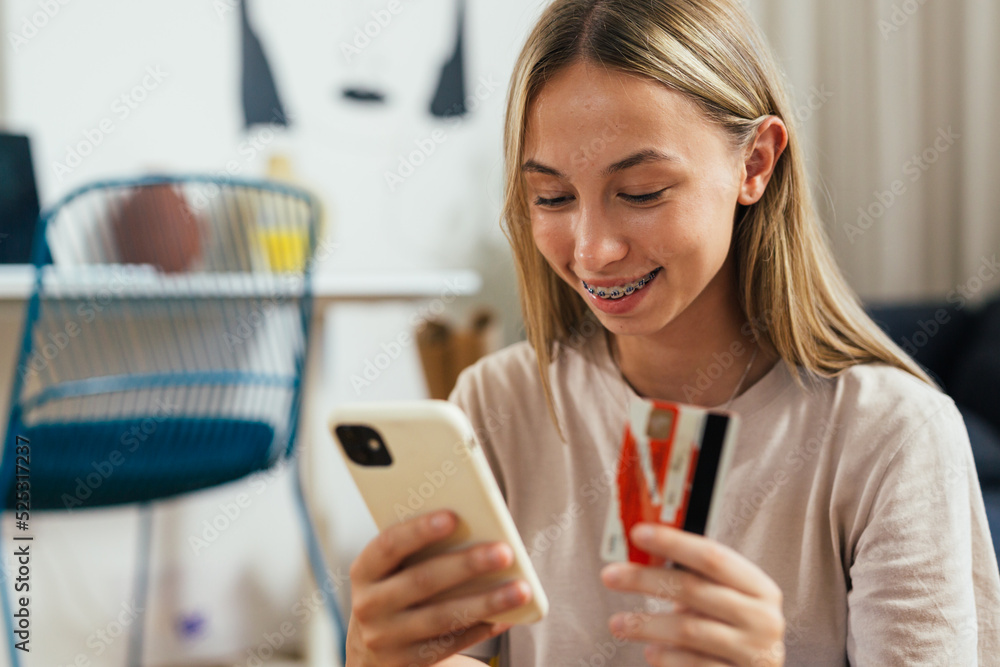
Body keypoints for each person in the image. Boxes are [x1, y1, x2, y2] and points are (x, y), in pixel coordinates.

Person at [344, 0, 1000, 665]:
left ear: (755, 165)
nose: (593, 250)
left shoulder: (893, 433)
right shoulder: (498, 402)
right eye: (552, 197)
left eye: (642, 191)